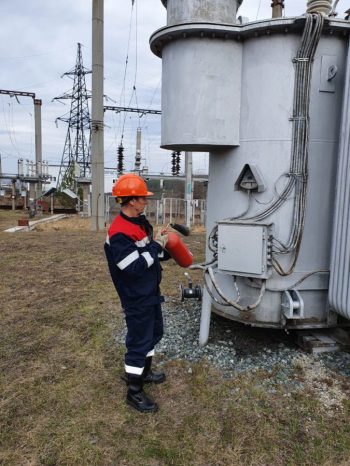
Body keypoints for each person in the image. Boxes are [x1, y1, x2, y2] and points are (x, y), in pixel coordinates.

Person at [104, 173, 171, 413]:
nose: (146, 201)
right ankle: (134, 391)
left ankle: (144, 371)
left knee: (153, 333)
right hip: (136, 295)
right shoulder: (119, 231)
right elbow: (131, 267)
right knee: (138, 341)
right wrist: (156, 247)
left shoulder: (140, 223)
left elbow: (149, 254)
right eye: (143, 198)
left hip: (149, 290)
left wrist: (164, 249)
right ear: (131, 201)